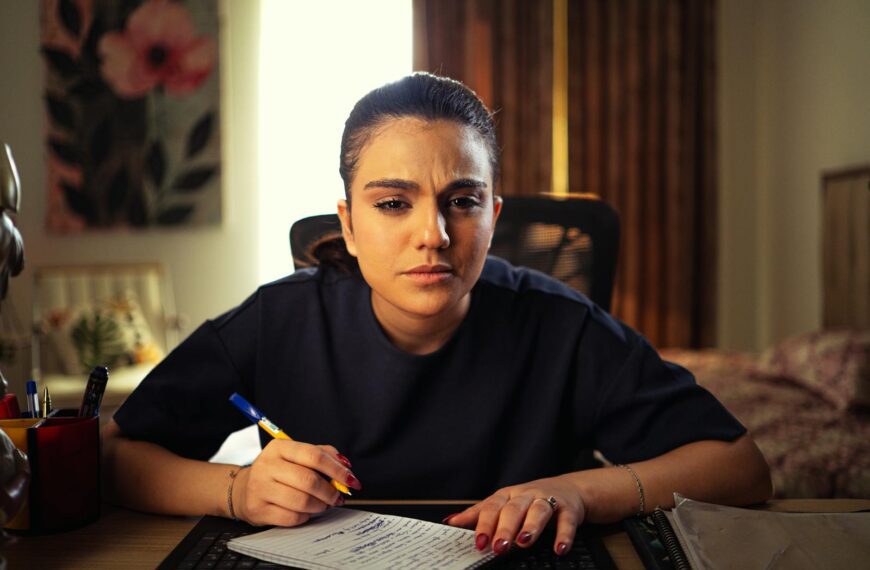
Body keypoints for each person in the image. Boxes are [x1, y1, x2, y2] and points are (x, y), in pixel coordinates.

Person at [102, 73, 772, 557]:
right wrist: (237, 492)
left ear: (494, 217)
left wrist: (578, 491)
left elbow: (739, 466)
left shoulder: (558, 327)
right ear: (350, 224)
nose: (434, 235)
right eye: (394, 203)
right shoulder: (278, 321)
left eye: (461, 200)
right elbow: (115, 452)